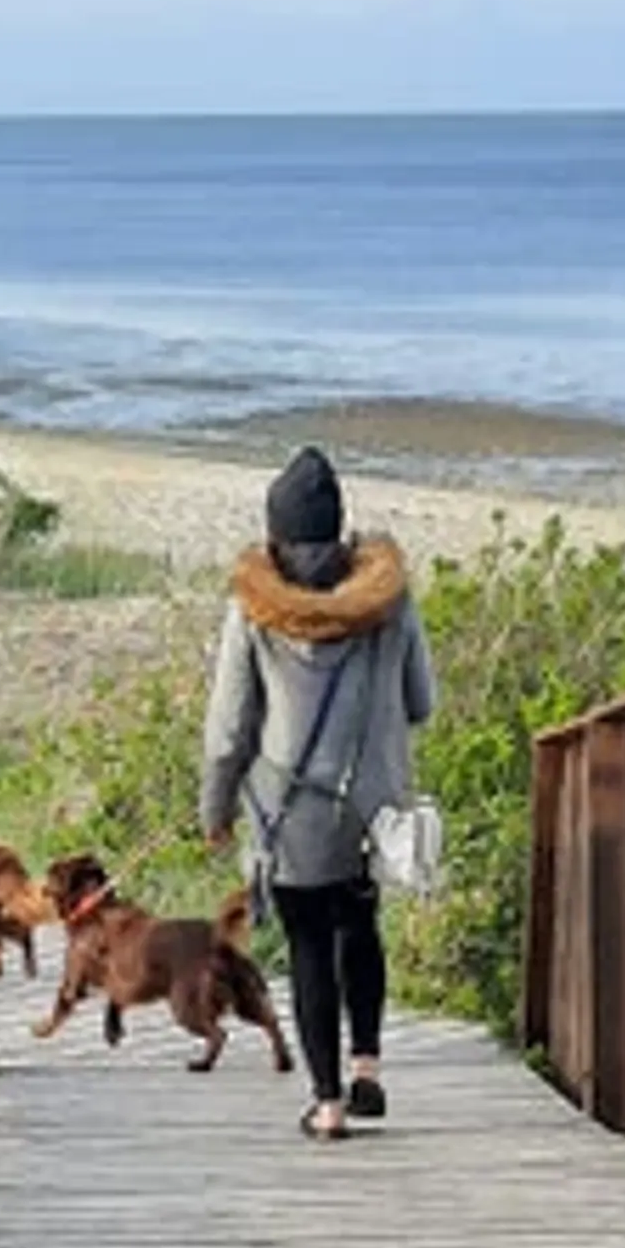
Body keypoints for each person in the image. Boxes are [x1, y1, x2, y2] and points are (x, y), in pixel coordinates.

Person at [201, 443, 437, 1141]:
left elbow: (227, 730)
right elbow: (421, 701)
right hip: (374, 808)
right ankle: (366, 1068)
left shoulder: (253, 611)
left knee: (309, 946)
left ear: (274, 535)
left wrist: (214, 810)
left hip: (290, 812)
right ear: (341, 530)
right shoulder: (390, 603)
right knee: (360, 928)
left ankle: (328, 1105)